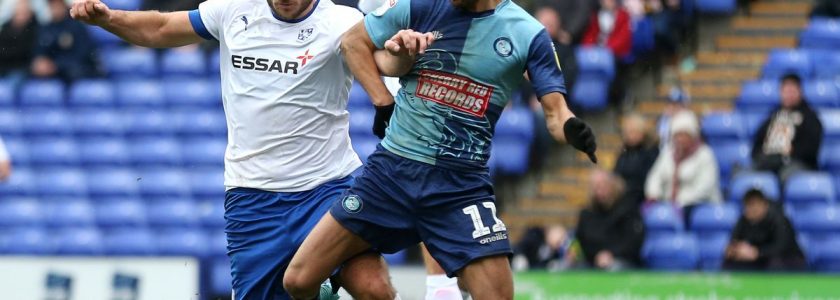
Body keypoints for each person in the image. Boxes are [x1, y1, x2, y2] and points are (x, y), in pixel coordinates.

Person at [69, 0, 398, 298]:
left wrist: (405, 51)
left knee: (374, 290)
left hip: (327, 189)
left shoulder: (343, 21)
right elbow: (160, 28)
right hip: (253, 199)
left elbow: (387, 61)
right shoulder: (232, 11)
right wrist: (109, 18)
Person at [282, 0, 599, 298]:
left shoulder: (528, 34)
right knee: (298, 280)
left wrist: (571, 129)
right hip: (391, 174)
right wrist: (382, 101)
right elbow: (352, 42)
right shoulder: (421, 5)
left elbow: (556, 114)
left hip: (459, 187)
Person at [752, 74, 823, 183]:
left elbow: (811, 149)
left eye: (792, 90)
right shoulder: (773, 117)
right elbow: (757, 144)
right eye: (785, 90)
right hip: (770, 163)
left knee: (786, 175)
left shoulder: (810, 118)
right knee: (747, 175)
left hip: (797, 164)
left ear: (800, 91)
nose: (788, 94)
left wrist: (789, 154)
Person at [645, 110, 722, 208]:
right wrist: (653, 195)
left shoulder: (705, 154)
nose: (680, 139)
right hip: (669, 204)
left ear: (693, 136)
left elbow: (705, 187)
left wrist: (680, 201)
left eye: (684, 135)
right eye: (677, 135)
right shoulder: (668, 152)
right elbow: (655, 176)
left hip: (698, 204)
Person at [575, 169, 645, 271]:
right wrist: (597, 256)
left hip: (623, 261)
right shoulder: (587, 214)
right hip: (593, 261)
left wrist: (611, 254)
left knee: (614, 268)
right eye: (596, 187)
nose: (600, 192)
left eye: (603, 186)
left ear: (613, 186)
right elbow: (582, 241)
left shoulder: (628, 209)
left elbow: (633, 241)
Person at [724, 188, 806, 271]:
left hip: (787, 259)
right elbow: (734, 241)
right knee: (731, 261)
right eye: (748, 206)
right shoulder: (743, 219)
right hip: (758, 259)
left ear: (764, 205)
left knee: (775, 263)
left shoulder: (779, 219)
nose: (751, 210)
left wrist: (757, 253)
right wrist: (735, 250)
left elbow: (781, 247)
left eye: (754, 205)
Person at [33, 0, 100, 81]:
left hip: (75, 70)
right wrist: (40, 62)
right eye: (52, 5)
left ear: (64, 5)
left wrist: (56, 65)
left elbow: (82, 54)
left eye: (58, 5)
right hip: (53, 72)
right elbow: (40, 50)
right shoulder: (46, 28)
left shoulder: (77, 26)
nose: (55, 8)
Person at [614, 113, 659, 206]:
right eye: (628, 132)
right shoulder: (624, 153)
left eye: (634, 132)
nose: (630, 136)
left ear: (643, 132)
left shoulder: (651, 152)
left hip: (641, 198)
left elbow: (648, 179)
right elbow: (616, 174)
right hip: (623, 197)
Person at [0, 0, 38, 80]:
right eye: (18, 12)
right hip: (4, 67)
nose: (20, 16)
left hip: (21, 69)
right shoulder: (6, 28)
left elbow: (27, 51)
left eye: (23, 13)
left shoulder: (34, 29)